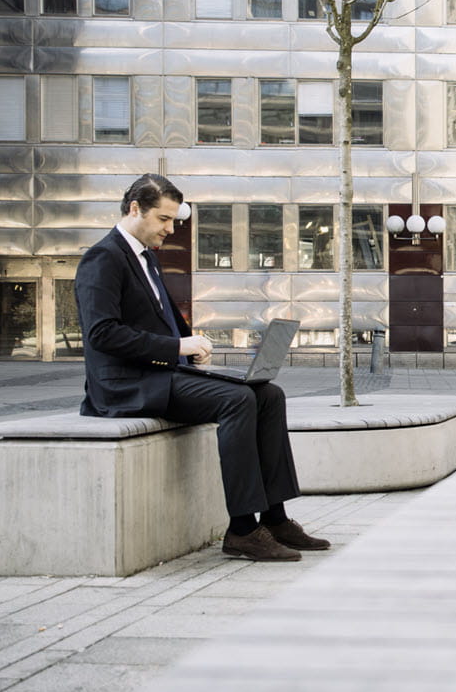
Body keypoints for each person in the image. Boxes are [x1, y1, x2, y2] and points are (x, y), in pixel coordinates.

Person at [75, 173, 329, 562]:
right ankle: (243, 528)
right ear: (134, 209)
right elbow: (102, 334)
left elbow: (159, 320)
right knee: (238, 400)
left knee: (269, 395)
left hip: (161, 374)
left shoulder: (146, 258)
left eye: (173, 220)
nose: (170, 228)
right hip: (124, 386)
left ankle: (275, 518)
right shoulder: (103, 258)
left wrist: (191, 348)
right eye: (164, 219)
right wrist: (176, 345)